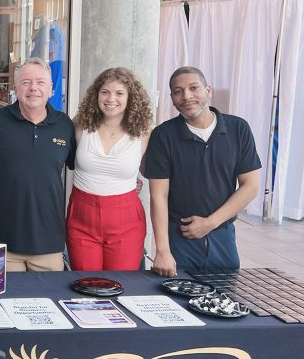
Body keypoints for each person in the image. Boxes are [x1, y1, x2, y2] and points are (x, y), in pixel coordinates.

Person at [0, 58, 75, 272]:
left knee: (47, 304)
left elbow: (85, 165)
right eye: (26, 82)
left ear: (51, 89)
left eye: (40, 82)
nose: (33, 88)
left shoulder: (64, 125)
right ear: (15, 89)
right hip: (1, 244)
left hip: (49, 246)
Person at [145, 66, 262, 277]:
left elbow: (251, 186)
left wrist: (210, 223)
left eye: (193, 88)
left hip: (223, 236)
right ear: (172, 98)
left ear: (208, 90)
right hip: (179, 236)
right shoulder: (163, 135)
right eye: (178, 91)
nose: (186, 96)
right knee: (177, 302)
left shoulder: (238, 129)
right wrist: (162, 250)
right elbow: (158, 196)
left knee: (225, 297)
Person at [67, 67, 153, 271]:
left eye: (119, 93)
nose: (110, 98)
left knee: (122, 285)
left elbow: (153, 171)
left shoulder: (144, 130)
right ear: (96, 94)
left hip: (126, 220)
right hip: (81, 218)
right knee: (85, 285)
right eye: (105, 92)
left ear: (131, 97)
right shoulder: (80, 123)